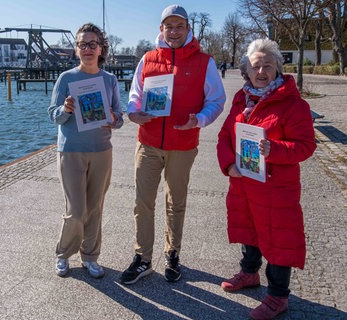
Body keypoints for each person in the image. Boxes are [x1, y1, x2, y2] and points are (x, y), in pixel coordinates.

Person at [120, 4, 226, 285]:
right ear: (161, 29)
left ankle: (172, 254)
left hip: (183, 144)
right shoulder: (148, 59)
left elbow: (217, 100)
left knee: (175, 203)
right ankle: (142, 258)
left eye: (180, 26)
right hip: (149, 142)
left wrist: (200, 120)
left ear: (188, 29)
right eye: (169, 26)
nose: (174, 31)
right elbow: (135, 95)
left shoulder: (205, 62)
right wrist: (134, 113)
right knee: (142, 202)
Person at [216, 38, 316, 320]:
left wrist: (275, 150)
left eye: (268, 66)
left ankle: (277, 296)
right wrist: (228, 164)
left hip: (275, 188)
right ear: (246, 70)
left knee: (278, 238)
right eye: (256, 66)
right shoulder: (241, 99)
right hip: (244, 182)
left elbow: (306, 146)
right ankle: (249, 274)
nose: (262, 72)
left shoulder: (293, 104)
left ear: (278, 69)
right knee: (249, 230)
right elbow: (224, 137)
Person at [48, 23, 124, 279]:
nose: (88, 48)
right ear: (76, 49)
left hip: (101, 150)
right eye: (83, 44)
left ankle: (90, 256)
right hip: (71, 151)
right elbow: (53, 115)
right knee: (76, 210)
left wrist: (113, 118)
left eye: (93, 44)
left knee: (95, 208)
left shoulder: (109, 80)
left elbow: (119, 118)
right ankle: (62, 253)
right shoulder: (66, 79)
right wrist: (65, 110)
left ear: (101, 48)